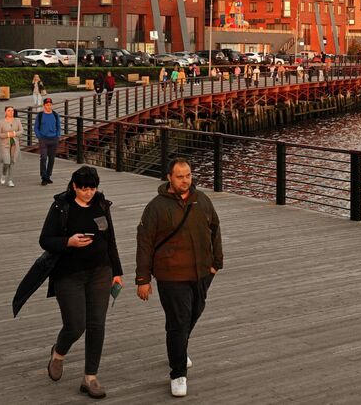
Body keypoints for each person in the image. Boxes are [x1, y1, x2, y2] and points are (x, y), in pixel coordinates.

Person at [136, 158, 223, 398]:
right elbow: (144, 243)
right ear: (169, 178)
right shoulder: (156, 207)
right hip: (171, 275)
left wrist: (217, 263)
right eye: (180, 176)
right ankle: (178, 374)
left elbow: (215, 228)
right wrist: (142, 279)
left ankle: (179, 346)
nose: (185, 181)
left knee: (194, 313)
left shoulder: (201, 200)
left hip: (202, 272)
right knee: (178, 320)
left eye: (188, 176)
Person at [38, 166, 123, 399]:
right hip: (69, 273)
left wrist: (117, 271)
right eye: (83, 188)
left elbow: (110, 240)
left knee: (97, 324)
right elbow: (45, 239)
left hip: (100, 271)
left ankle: (90, 378)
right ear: (74, 187)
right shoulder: (61, 207)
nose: (88, 193)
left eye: (92, 188)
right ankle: (58, 352)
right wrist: (69, 242)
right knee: (76, 324)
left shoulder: (101, 205)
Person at [35, 97, 61, 186]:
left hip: (54, 139)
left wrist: (57, 135)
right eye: (47, 105)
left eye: (50, 105)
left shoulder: (55, 114)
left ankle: (48, 176)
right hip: (43, 140)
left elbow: (58, 126)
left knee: (52, 158)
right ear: (44, 105)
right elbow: (36, 127)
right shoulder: (40, 115)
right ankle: (43, 177)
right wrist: (39, 137)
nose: (49, 106)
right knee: (43, 157)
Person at [0, 106, 22, 187]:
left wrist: (14, 134)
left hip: (15, 144)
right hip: (5, 145)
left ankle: (10, 180)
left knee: (12, 162)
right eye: (9, 110)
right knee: (6, 162)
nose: (11, 112)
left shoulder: (17, 120)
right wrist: (7, 134)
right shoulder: (1, 122)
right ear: (5, 112)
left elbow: (21, 131)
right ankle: (3, 174)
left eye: (12, 110)